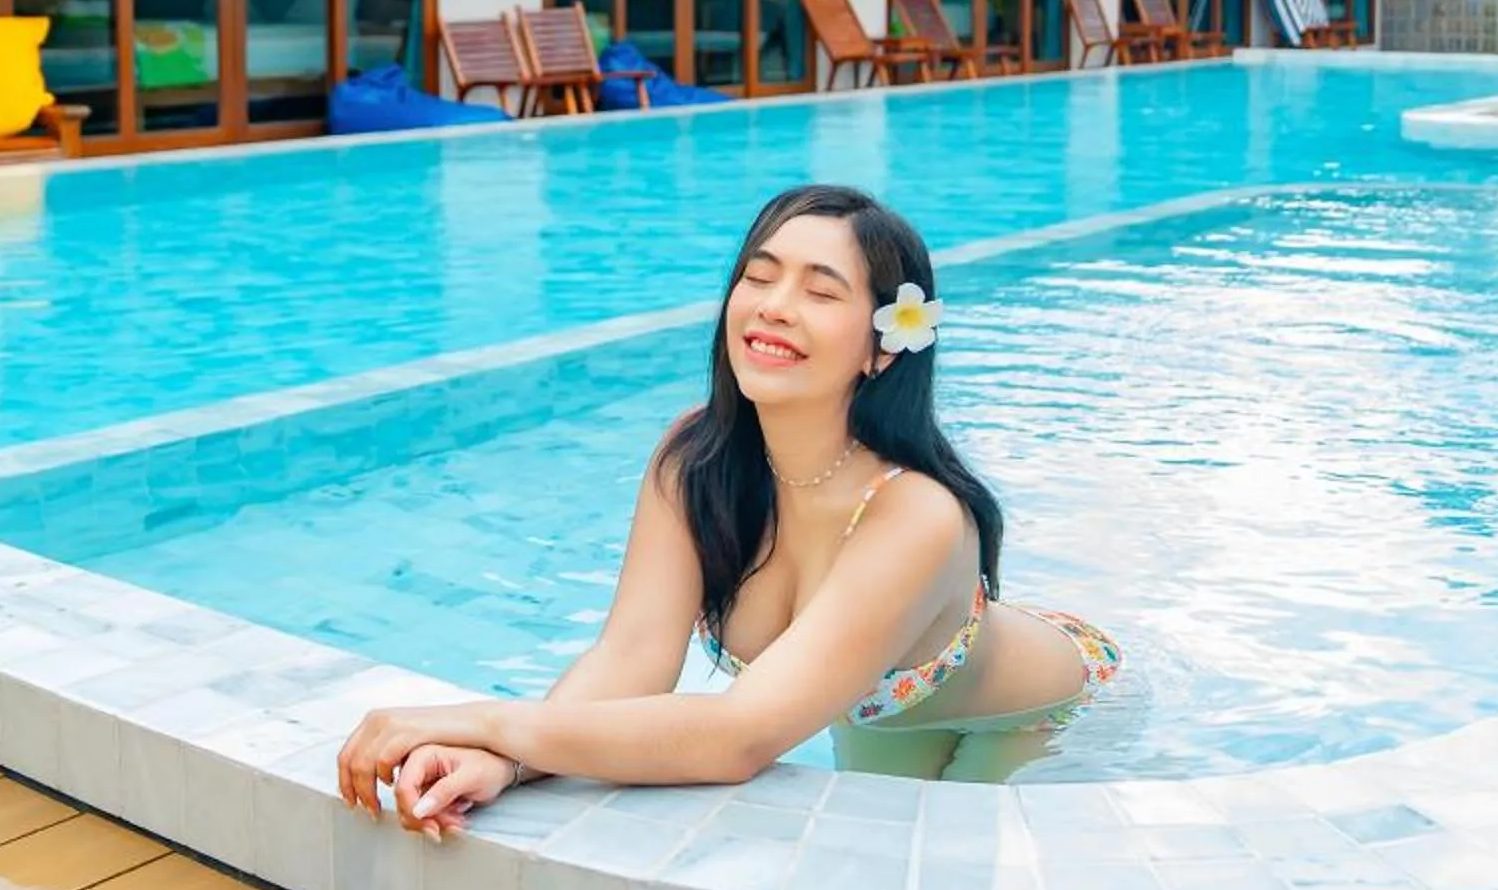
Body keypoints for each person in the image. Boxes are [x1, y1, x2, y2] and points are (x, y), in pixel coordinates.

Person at [336, 183, 1122, 836]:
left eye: (820, 290)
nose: (775, 306)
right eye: (759, 275)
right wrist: (506, 763)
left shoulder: (917, 512)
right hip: (882, 712)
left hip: (1035, 711)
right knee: (864, 867)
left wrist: (478, 720)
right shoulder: (697, 460)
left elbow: (741, 735)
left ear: (883, 348)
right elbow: (632, 659)